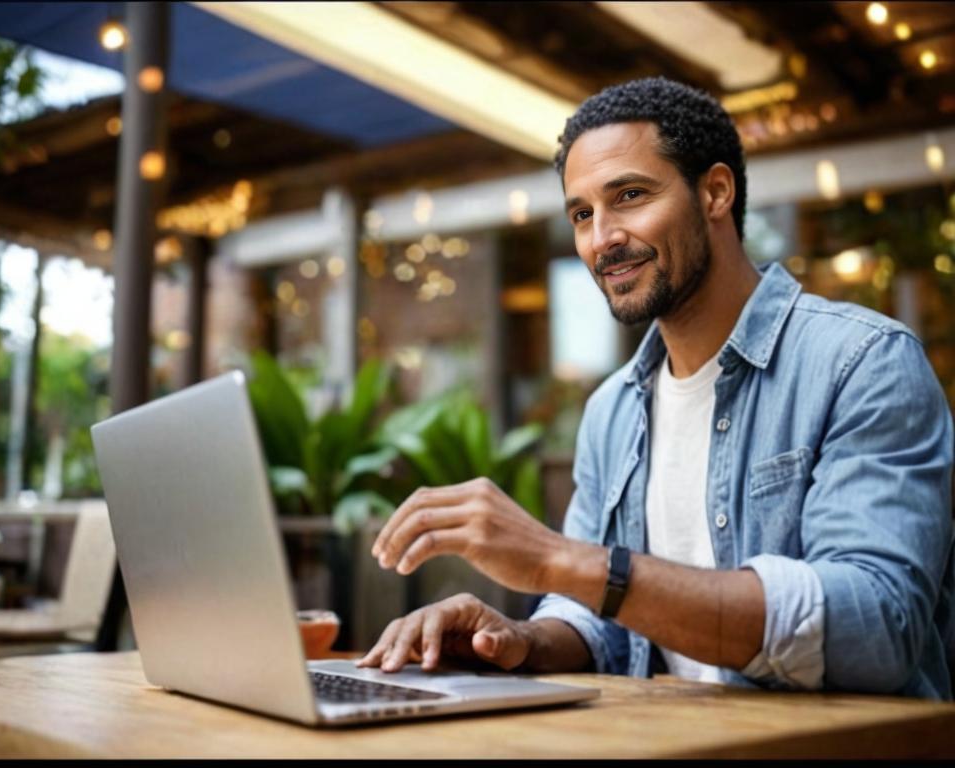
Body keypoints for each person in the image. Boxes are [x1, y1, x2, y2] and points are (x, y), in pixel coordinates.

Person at [357, 77, 955, 699]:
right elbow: (599, 625)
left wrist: (563, 562)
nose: (601, 238)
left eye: (631, 196)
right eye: (582, 214)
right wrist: (516, 642)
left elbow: (879, 628)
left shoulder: (861, 362)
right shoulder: (611, 410)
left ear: (715, 192)